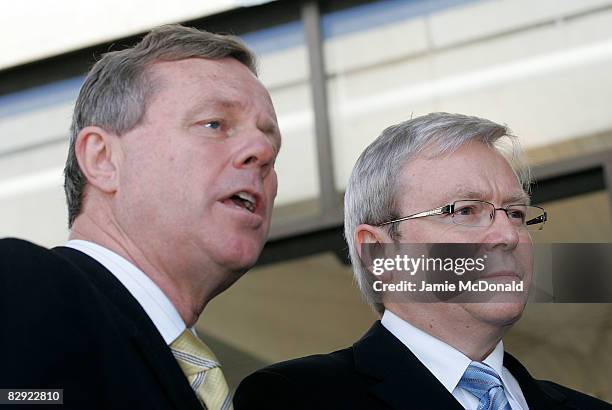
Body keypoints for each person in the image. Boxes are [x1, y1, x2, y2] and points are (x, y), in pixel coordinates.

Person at [233, 113, 610, 409]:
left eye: (515, 213)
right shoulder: (298, 398)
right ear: (377, 250)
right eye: (465, 211)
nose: (508, 236)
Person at [0, 24, 280, 409]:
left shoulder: (184, 376)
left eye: (271, 142)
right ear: (103, 160)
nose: (262, 151)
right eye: (214, 124)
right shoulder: (21, 286)